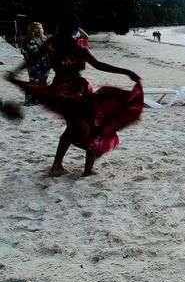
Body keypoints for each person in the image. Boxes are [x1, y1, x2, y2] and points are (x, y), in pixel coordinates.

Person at [6, 15, 143, 177]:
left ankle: (62, 166)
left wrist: (15, 72)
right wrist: (127, 72)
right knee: (91, 127)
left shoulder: (52, 43)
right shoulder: (77, 45)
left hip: (60, 90)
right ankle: (80, 169)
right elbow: (98, 65)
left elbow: (32, 60)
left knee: (77, 127)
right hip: (76, 92)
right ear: (74, 29)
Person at [19, 22, 50, 106]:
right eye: (37, 28)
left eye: (41, 28)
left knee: (43, 82)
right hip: (33, 65)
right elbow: (24, 52)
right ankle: (29, 100)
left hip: (45, 64)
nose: (40, 29)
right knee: (33, 82)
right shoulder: (27, 40)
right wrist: (29, 64)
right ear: (32, 30)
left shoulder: (45, 39)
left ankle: (39, 99)